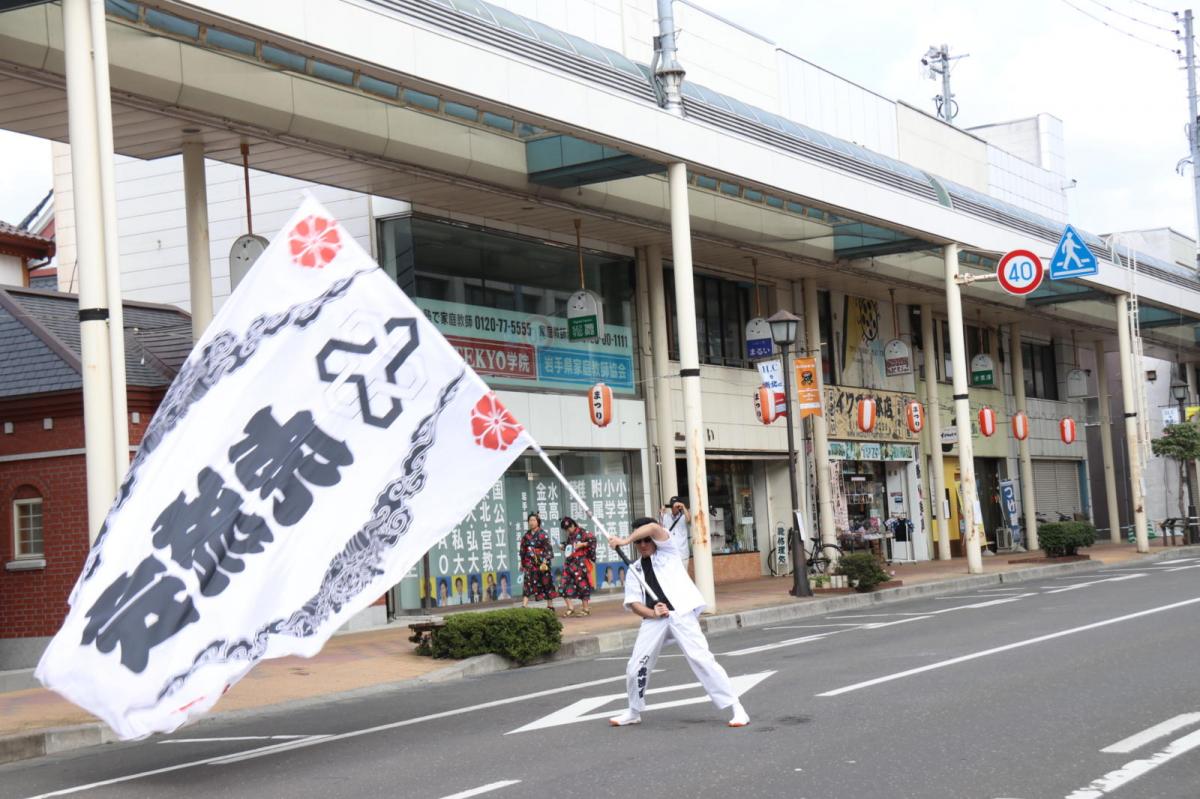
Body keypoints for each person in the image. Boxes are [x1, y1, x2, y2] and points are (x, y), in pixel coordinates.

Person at [605, 517, 749, 728]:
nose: (643, 544)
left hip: (681, 614)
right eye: (639, 542)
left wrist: (625, 540)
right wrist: (653, 613)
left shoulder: (669, 551)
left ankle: (737, 708)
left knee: (701, 659)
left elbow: (654, 527)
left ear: (654, 539)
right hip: (655, 620)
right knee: (635, 666)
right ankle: (634, 710)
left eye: (646, 540)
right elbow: (634, 604)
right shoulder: (634, 569)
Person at [558, 516, 597, 617]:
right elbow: (569, 547)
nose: (568, 531)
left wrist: (583, 544)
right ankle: (570, 607)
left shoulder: (583, 532)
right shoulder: (570, 536)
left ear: (573, 525)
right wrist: (563, 547)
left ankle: (586, 609)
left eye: (569, 528)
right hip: (570, 563)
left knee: (582, 585)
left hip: (580, 563)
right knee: (562, 585)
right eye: (566, 530)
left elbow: (593, 540)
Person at [519, 512, 558, 611]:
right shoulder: (526, 536)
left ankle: (550, 605)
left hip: (542, 562)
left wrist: (545, 561)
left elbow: (548, 549)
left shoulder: (543, 535)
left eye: (533, 520)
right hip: (530, 562)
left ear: (538, 522)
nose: (531, 522)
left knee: (546, 583)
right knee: (527, 582)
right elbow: (523, 550)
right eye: (530, 520)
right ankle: (524, 605)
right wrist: (522, 563)